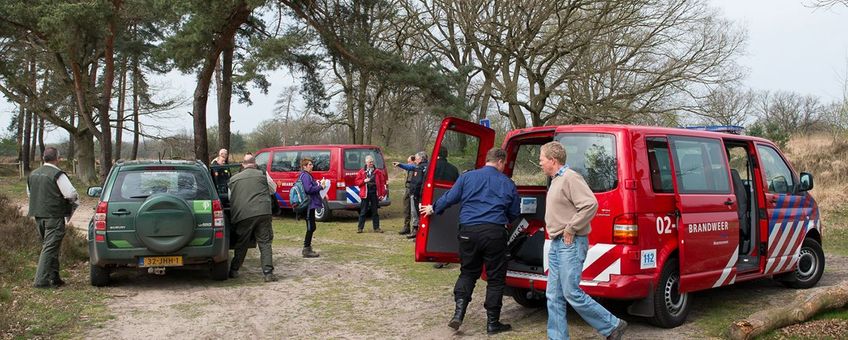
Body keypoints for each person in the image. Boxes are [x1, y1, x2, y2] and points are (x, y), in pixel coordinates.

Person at [420, 148, 519, 335]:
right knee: (496, 279)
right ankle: (492, 323)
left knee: (468, 273)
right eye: (504, 164)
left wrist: (433, 208)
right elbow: (514, 212)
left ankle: (458, 314)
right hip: (494, 233)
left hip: (468, 232)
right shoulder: (507, 183)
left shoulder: (467, 177)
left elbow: (450, 197)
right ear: (499, 161)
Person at [538, 141, 627, 340]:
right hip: (556, 244)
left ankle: (613, 325)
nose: (540, 163)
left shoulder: (570, 178)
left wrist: (571, 227)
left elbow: (589, 204)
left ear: (553, 161)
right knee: (553, 296)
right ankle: (558, 337)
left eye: (542, 160)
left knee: (571, 293)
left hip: (569, 243)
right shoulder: (556, 180)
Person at [27, 147, 79, 288]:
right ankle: (41, 281)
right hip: (54, 216)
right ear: (57, 158)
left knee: (51, 246)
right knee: (49, 248)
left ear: (43, 157)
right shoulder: (58, 174)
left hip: (38, 216)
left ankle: (54, 277)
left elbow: (30, 194)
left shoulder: (33, 174)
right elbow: (71, 194)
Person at [227, 154, 278, 282]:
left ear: (243, 164)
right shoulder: (262, 174)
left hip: (243, 214)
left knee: (242, 243)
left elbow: (230, 197)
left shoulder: (233, 179)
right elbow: (273, 189)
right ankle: (268, 273)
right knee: (265, 243)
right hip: (263, 212)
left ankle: (234, 269)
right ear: (255, 163)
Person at [355, 155, 387, 233]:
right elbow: (357, 182)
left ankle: (376, 228)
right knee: (363, 211)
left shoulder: (378, 172)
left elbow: (382, 183)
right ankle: (360, 228)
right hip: (365, 193)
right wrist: (364, 181)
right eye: (370, 162)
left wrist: (382, 194)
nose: (371, 163)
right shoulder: (362, 171)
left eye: (372, 162)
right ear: (366, 163)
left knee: (375, 211)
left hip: (374, 193)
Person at [299, 158, 323, 258]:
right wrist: (320, 187)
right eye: (309, 164)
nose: (312, 166)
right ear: (304, 166)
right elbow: (308, 189)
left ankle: (307, 248)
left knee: (312, 226)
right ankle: (306, 249)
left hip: (311, 204)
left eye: (311, 164)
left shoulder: (307, 175)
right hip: (308, 205)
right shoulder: (305, 176)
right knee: (310, 226)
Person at [406, 151, 429, 240]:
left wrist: (413, 193)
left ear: (420, 158)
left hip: (417, 194)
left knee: (415, 213)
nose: (415, 160)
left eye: (416, 158)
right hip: (425, 193)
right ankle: (417, 232)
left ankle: (417, 232)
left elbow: (417, 182)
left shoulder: (419, 168)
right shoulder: (429, 166)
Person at [393, 155, 416, 235]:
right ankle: (406, 227)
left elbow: (409, 167)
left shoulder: (415, 167)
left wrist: (400, 164)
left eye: (409, 161)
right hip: (407, 189)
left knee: (414, 210)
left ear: (413, 161)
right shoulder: (408, 168)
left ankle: (415, 228)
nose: (408, 163)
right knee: (406, 209)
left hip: (413, 190)